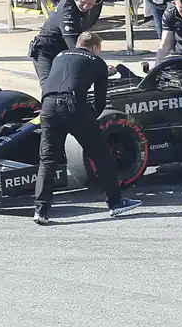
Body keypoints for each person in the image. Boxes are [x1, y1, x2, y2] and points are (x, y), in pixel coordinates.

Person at [33, 32, 141, 224]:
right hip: (73, 105)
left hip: (48, 105)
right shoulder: (97, 62)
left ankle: (41, 210)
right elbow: (100, 101)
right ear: (94, 48)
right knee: (102, 155)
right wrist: (87, 120)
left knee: (48, 160)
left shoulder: (60, 55)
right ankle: (115, 202)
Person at [28, 0, 102, 87]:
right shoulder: (68, 11)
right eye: (83, 2)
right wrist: (96, 65)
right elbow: (75, 46)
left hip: (62, 48)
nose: (85, 7)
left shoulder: (82, 2)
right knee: (49, 87)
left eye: (90, 4)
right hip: (45, 51)